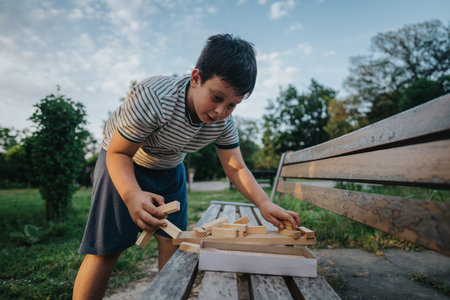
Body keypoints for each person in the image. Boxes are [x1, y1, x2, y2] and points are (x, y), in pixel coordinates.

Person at [73, 33, 300, 299]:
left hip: (170, 167)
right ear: (195, 78)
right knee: (106, 249)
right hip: (123, 161)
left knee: (173, 241)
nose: (220, 112)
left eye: (232, 105)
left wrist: (264, 203)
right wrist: (132, 194)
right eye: (216, 97)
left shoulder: (223, 123)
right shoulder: (155, 97)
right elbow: (119, 152)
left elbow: (236, 168)